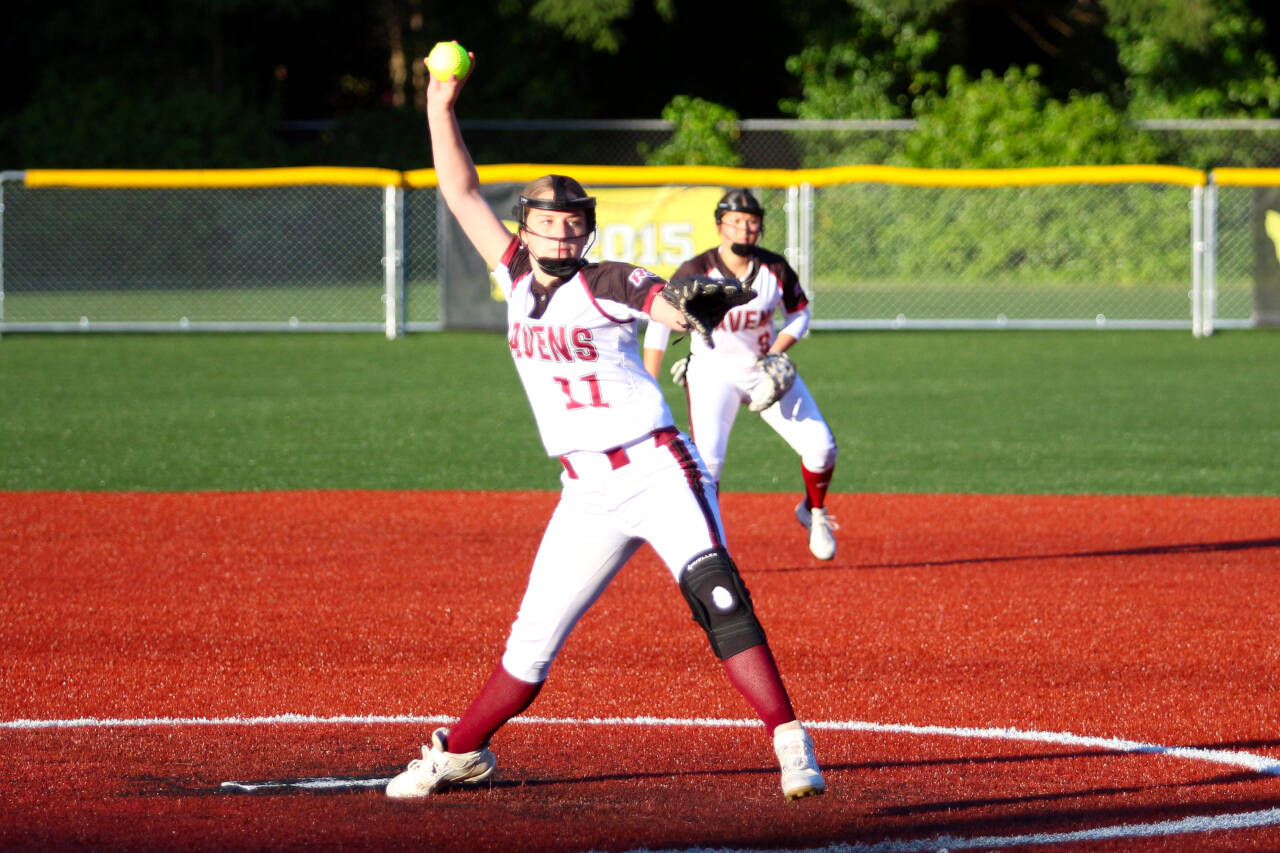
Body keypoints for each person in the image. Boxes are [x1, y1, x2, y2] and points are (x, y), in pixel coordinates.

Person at [386, 49, 825, 802]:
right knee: (529, 651)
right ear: (526, 230)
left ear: (588, 230)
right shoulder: (514, 274)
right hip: (584, 492)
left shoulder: (607, 278)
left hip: (657, 468)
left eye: (572, 225)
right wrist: (439, 102)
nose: (560, 236)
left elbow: (659, 299)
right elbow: (458, 190)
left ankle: (790, 741)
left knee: (717, 592)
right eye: (546, 224)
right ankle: (458, 752)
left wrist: (688, 307)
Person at [643, 189, 840, 560]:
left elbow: (799, 314)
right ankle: (709, 546)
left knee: (822, 447)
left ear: (760, 227)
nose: (744, 228)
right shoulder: (696, 269)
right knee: (709, 464)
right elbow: (658, 323)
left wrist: (777, 351)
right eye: (735, 220)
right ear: (720, 225)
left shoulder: (774, 268)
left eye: (751, 221)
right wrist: (649, 380)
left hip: (764, 369)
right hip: (712, 372)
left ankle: (813, 511)